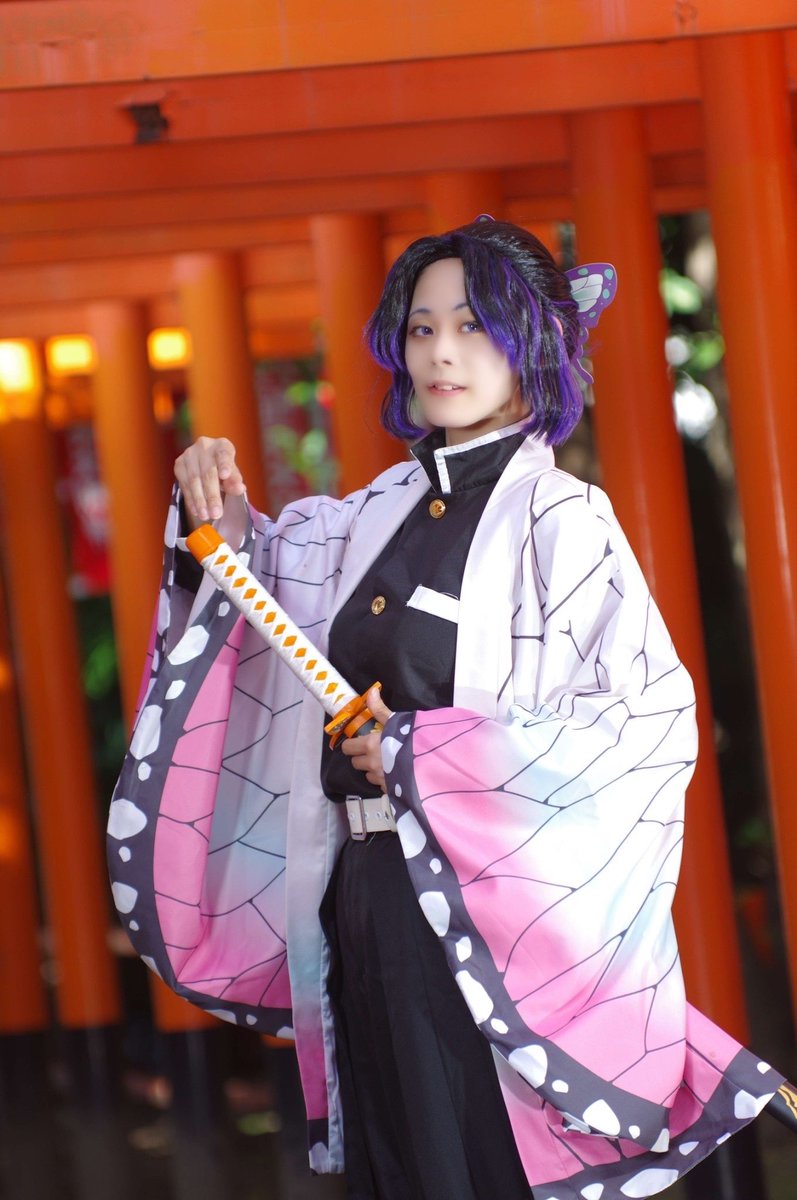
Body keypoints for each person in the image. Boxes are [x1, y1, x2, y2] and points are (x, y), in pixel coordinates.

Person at [108, 219, 782, 1200]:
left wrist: (425, 753)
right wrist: (219, 518)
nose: (440, 352)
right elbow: (260, 593)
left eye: (471, 326)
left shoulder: (563, 520)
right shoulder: (368, 513)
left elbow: (641, 728)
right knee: (399, 1167)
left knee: (475, 1162)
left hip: (476, 913)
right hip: (359, 893)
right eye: (421, 329)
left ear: (530, 343)